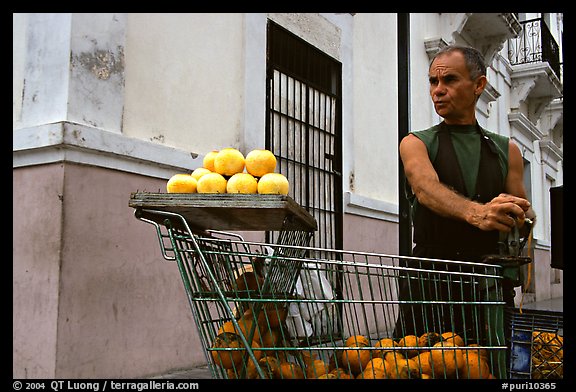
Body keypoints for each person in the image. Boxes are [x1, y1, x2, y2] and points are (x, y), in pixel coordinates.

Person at [393, 45, 536, 343]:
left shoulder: (506, 150)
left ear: (479, 85)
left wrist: (519, 213)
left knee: (487, 366)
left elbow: (527, 214)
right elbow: (425, 189)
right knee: (419, 367)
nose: (438, 91)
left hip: (488, 284)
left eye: (450, 80)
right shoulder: (416, 143)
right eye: (433, 82)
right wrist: (479, 213)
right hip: (431, 281)